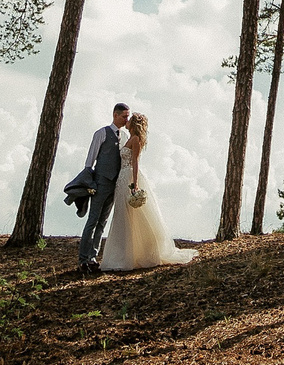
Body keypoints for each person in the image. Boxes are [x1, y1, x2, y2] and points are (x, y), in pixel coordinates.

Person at [98, 111, 195, 272]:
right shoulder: (128, 137)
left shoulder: (135, 139)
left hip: (128, 176)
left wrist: (134, 183)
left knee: (131, 215)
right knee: (122, 214)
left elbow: (135, 162)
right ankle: (125, 252)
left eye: (129, 120)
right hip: (121, 178)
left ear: (134, 124)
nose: (126, 121)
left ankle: (133, 254)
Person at [66, 103, 130, 273]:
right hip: (100, 183)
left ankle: (93, 257)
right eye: (124, 116)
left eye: (127, 116)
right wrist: (91, 183)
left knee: (102, 223)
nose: (126, 119)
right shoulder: (101, 133)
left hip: (114, 185)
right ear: (115, 115)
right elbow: (89, 162)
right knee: (92, 221)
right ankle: (83, 260)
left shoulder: (124, 136)